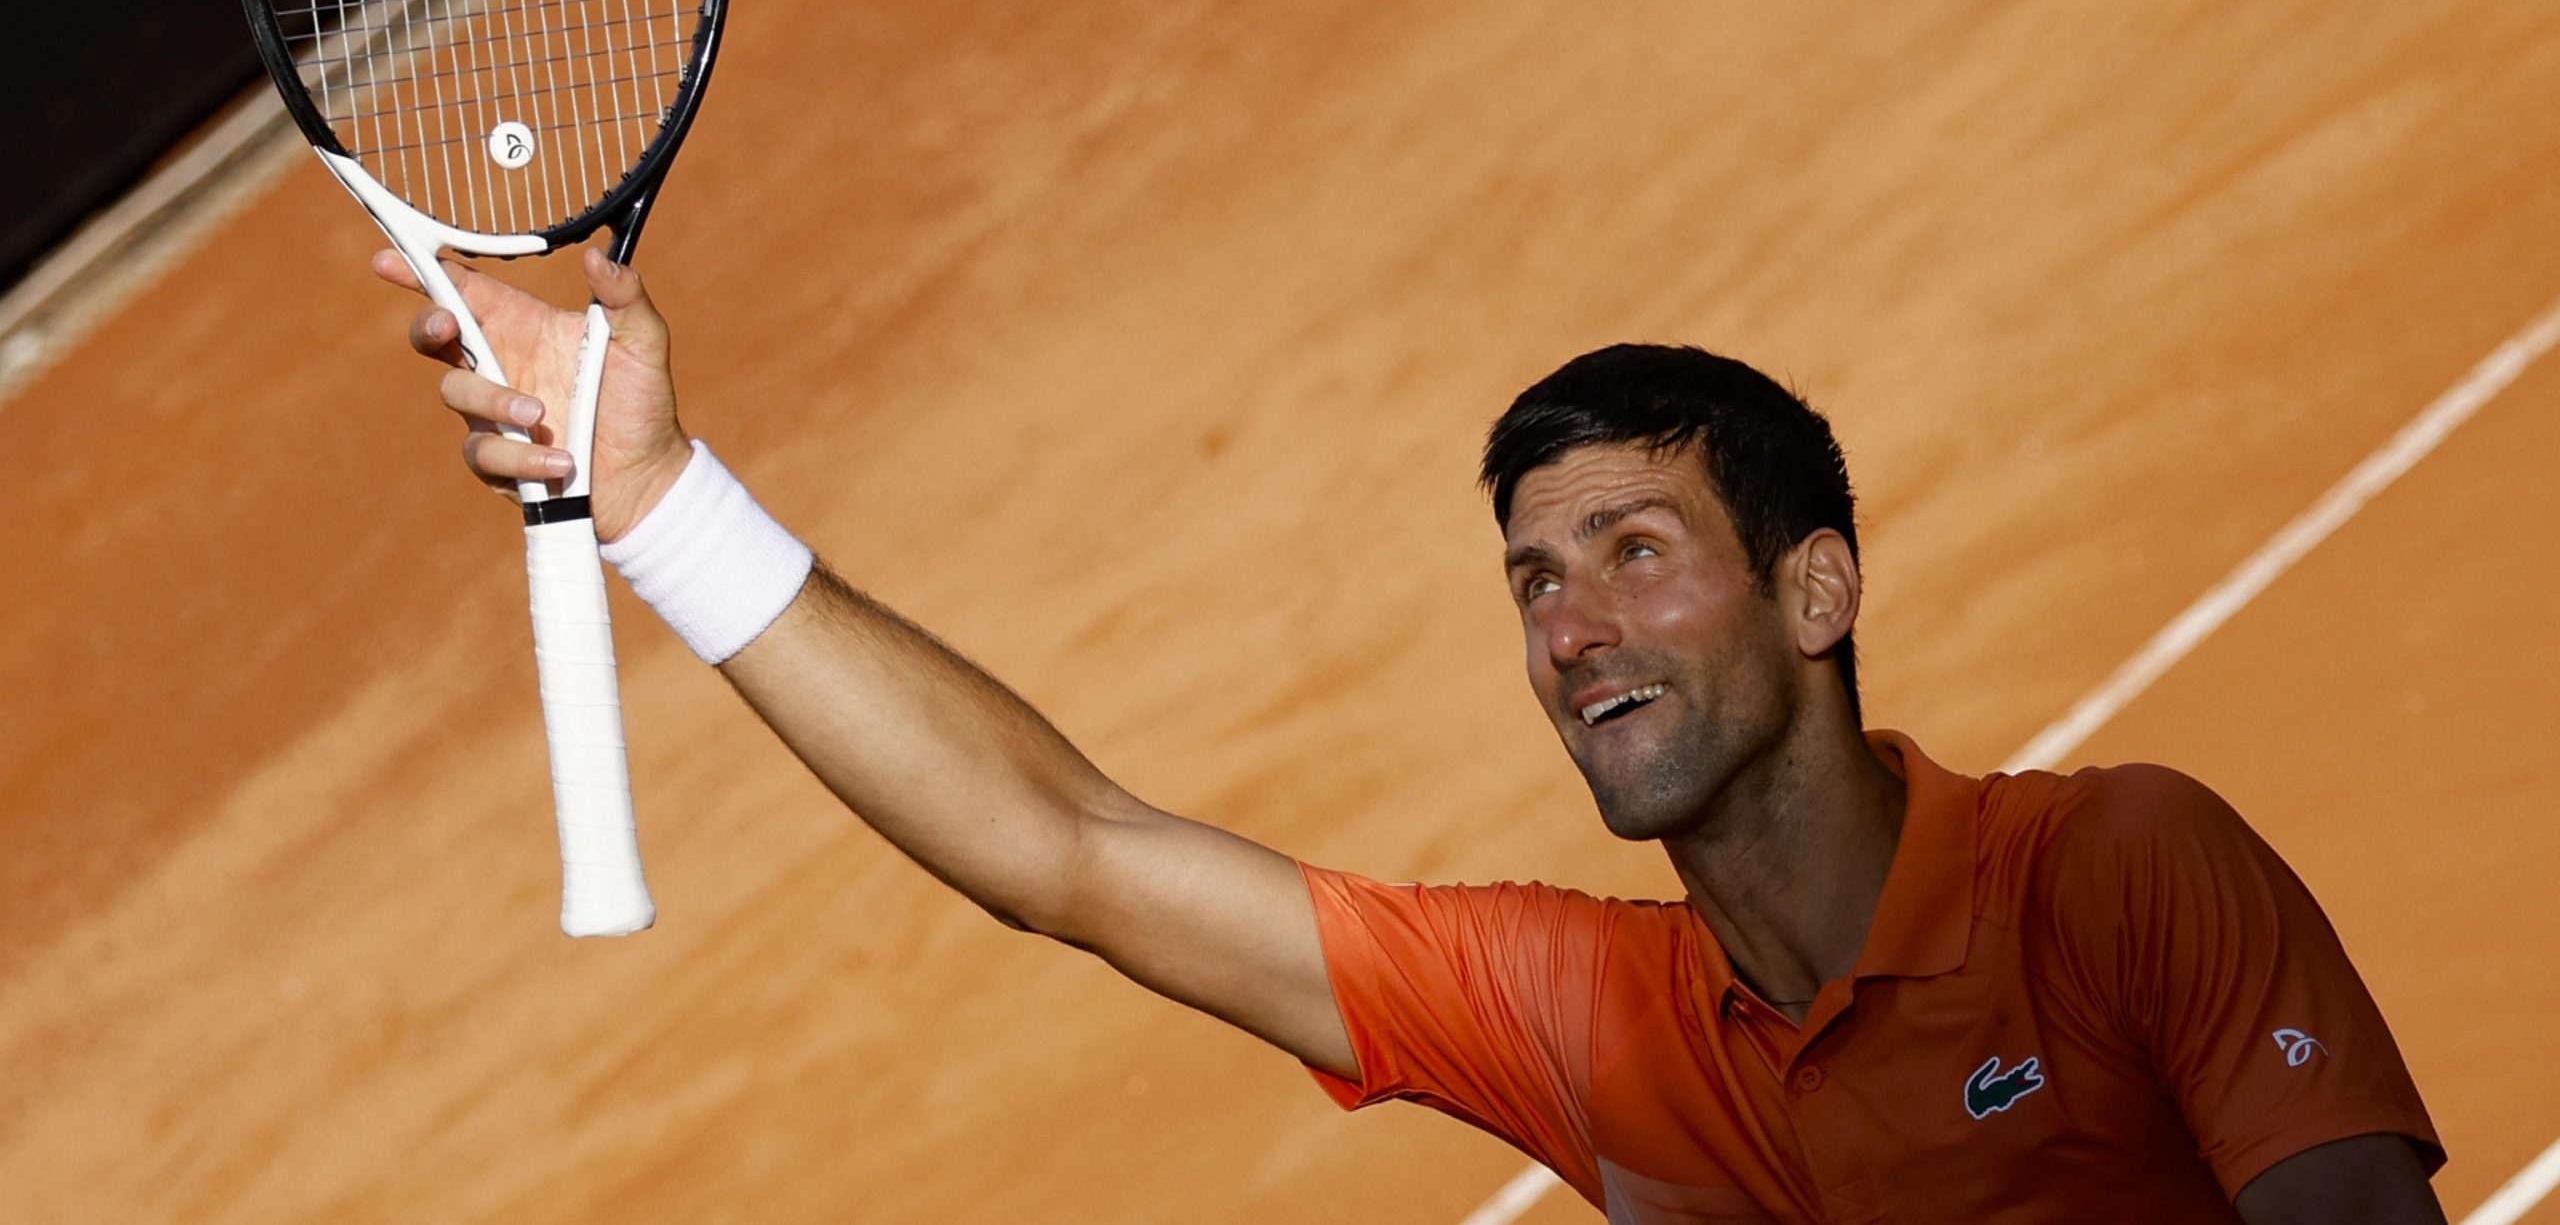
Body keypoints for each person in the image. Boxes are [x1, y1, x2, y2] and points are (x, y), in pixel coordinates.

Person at [382, 246, 2447, 1223]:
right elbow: (1067, 850)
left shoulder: (2112, 873)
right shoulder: (1581, 1012)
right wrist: (658, 500)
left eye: (1634, 551)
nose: (1570, 626)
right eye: (1532, 581)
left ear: (1815, 591)